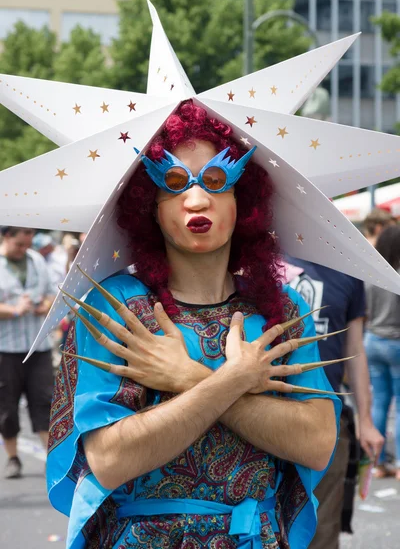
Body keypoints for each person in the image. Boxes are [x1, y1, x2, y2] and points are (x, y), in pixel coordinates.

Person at [47, 101, 342, 549]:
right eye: (173, 182)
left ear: (245, 199)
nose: (197, 199)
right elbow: (107, 458)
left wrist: (190, 378)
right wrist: (233, 383)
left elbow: (317, 442)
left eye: (218, 180)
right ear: (148, 203)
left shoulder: (282, 308)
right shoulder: (115, 307)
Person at [286, 259, 384, 549]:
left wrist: (365, 422)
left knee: (323, 524)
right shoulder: (263, 257)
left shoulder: (348, 273)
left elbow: (355, 352)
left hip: (328, 416)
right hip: (264, 414)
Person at [0, 226, 55, 479]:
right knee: (7, 407)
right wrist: (12, 310)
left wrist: (45, 305)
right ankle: (13, 458)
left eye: (28, 243)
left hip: (38, 347)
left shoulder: (36, 261)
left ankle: (50, 458)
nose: (24, 250)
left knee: (43, 401)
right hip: (6, 349)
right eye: (19, 244)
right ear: (6, 236)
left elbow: (53, 293)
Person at [364, 225, 400, 480]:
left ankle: (376, 463)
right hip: (396, 343)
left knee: (380, 402)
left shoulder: (370, 275)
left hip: (372, 341)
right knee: (399, 407)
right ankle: (399, 464)